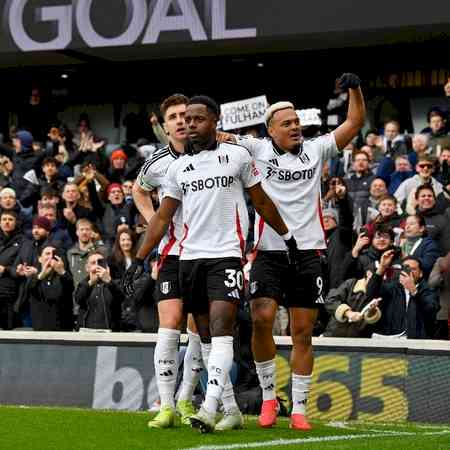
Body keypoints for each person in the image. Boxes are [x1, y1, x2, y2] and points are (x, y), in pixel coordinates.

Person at [126, 95, 300, 433]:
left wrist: (287, 237)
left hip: (226, 257)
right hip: (189, 259)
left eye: (198, 119)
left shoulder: (237, 157)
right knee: (203, 338)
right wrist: (138, 257)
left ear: (215, 121)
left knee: (221, 328)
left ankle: (207, 408)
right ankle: (231, 409)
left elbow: (261, 200)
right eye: (186, 119)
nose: (190, 124)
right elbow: (163, 217)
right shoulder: (176, 168)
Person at [233, 73, 365, 430]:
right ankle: (269, 399)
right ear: (270, 129)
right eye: (287, 123)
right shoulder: (254, 148)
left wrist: (354, 89)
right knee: (260, 320)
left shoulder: (317, 148)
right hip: (268, 252)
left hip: (309, 253)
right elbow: (216, 136)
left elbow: (354, 122)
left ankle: (301, 409)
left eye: (297, 121)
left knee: (302, 332)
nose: (295, 127)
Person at [132, 94, 211, 429]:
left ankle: (185, 399)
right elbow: (138, 190)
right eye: (174, 117)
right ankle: (165, 405)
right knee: (170, 321)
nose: (181, 121)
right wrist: (153, 222)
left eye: (185, 115)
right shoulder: (157, 164)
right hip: (172, 253)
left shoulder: (213, 156)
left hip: (207, 253)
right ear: (164, 126)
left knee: (197, 326)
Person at [369, 252, 440, 339]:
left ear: (421, 273)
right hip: (391, 338)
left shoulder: (428, 290)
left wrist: (414, 291)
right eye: (406, 268)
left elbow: (431, 311)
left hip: (417, 340)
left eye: (413, 269)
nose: (409, 272)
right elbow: (370, 293)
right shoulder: (392, 287)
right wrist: (382, 267)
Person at [26, 245, 74, 331]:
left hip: (63, 328)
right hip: (40, 328)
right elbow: (29, 290)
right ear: (40, 259)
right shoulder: (35, 277)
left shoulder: (63, 276)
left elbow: (71, 287)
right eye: (47, 253)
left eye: (54, 254)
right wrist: (41, 275)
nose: (51, 256)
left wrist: (62, 271)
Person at [75, 250, 124, 331]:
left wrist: (109, 281)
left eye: (100, 262)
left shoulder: (115, 283)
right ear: (87, 268)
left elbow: (121, 298)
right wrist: (90, 282)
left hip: (109, 332)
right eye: (93, 263)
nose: (97, 265)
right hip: (86, 332)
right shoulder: (83, 283)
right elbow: (78, 299)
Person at [323, 271, 382, 337]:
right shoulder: (351, 284)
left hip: (358, 341)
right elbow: (330, 300)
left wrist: (372, 312)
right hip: (333, 336)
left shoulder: (379, 291)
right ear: (368, 274)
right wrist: (347, 312)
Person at [0, 211, 24, 329]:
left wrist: (5, 269)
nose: (7, 222)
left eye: (10, 219)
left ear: (16, 222)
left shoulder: (23, 242)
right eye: (4, 219)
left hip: (10, 294)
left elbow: (21, 268)